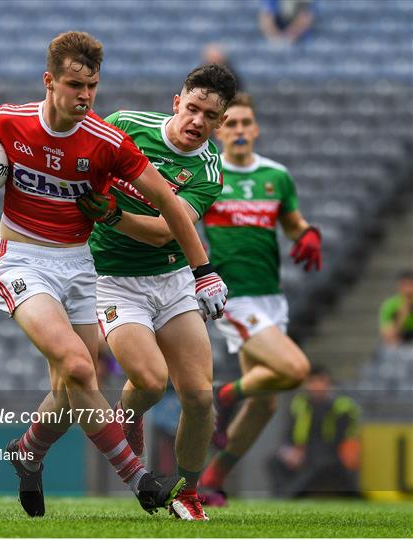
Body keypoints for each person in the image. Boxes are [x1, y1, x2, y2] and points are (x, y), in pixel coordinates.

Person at [0, 31, 227, 518]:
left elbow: (169, 204)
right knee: (81, 367)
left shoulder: (108, 141)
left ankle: (28, 450)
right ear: (49, 82)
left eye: (92, 86)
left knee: (70, 386)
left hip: (81, 266)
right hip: (23, 261)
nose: (85, 96)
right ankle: (139, 479)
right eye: (74, 85)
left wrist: (204, 270)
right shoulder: (11, 120)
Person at [74, 64, 236, 521]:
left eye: (209, 116)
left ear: (220, 123)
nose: (197, 121)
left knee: (200, 396)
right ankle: (133, 424)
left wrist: (110, 215)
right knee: (148, 381)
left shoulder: (207, 168)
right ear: (176, 103)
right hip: (114, 280)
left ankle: (187, 491)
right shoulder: (126, 126)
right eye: (192, 108)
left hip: (171, 280)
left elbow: (167, 232)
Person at [198, 92, 322, 505]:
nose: (238, 130)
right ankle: (223, 396)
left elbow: (291, 223)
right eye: (230, 123)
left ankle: (211, 480)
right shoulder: (209, 176)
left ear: (256, 128)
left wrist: (306, 233)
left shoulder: (277, 176)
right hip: (235, 297)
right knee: (295, 368)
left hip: (271, 298)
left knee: (266, 404)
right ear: (219, 130)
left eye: (245, 123)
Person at [268, 366, 360, 498]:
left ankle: (289, 496)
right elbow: (289, 434)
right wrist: (290, 451)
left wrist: (304, 451)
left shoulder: (341, 406)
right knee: (274, 461)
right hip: (304, 453)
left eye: (321, 381)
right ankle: (280, 495)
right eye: (313, 382)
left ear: (329, 384)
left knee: (318, 461)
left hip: (331, 455)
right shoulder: (300, 405)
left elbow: (340, 439)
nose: (317, 386)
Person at [379, 270, 413, 346]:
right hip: (401, 344)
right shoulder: (390, 305)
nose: (408, 290)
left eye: (411, 285)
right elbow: (387, 336)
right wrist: (402, 314)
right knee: (392, 342)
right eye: (404, 286)